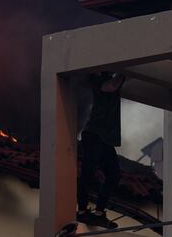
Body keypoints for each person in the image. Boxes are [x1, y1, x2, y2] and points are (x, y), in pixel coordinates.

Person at [76, 71, 125, 229]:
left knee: (113, 175)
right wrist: (126, 72)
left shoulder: (107, 81)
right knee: (87, 173)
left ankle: (98, 214)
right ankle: (82, 211)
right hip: (93, 135)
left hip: (105, 139)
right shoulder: (98, 81)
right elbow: (111, 87)